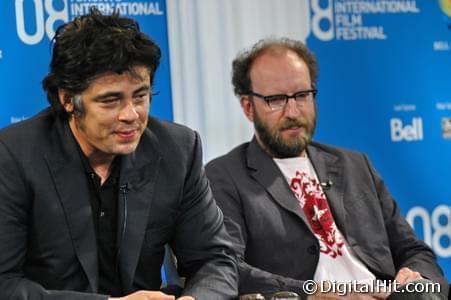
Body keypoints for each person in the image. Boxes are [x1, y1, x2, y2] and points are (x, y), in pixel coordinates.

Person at [0, 9, 238, 300]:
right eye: (111, 101)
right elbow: (5, 283)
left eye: (140, 96)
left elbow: (215, 260)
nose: (131, 115)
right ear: (67, 100)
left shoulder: (178, 149)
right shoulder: (12, 156)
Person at [205, 38, 448, 299]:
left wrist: (416, 278)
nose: (293, 111)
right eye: (276, 99)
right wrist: (310, 293)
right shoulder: (225, 176)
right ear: (248, 107)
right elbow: (227, 269)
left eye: (302, 95)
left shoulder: (355, 165)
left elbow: (414, 251)